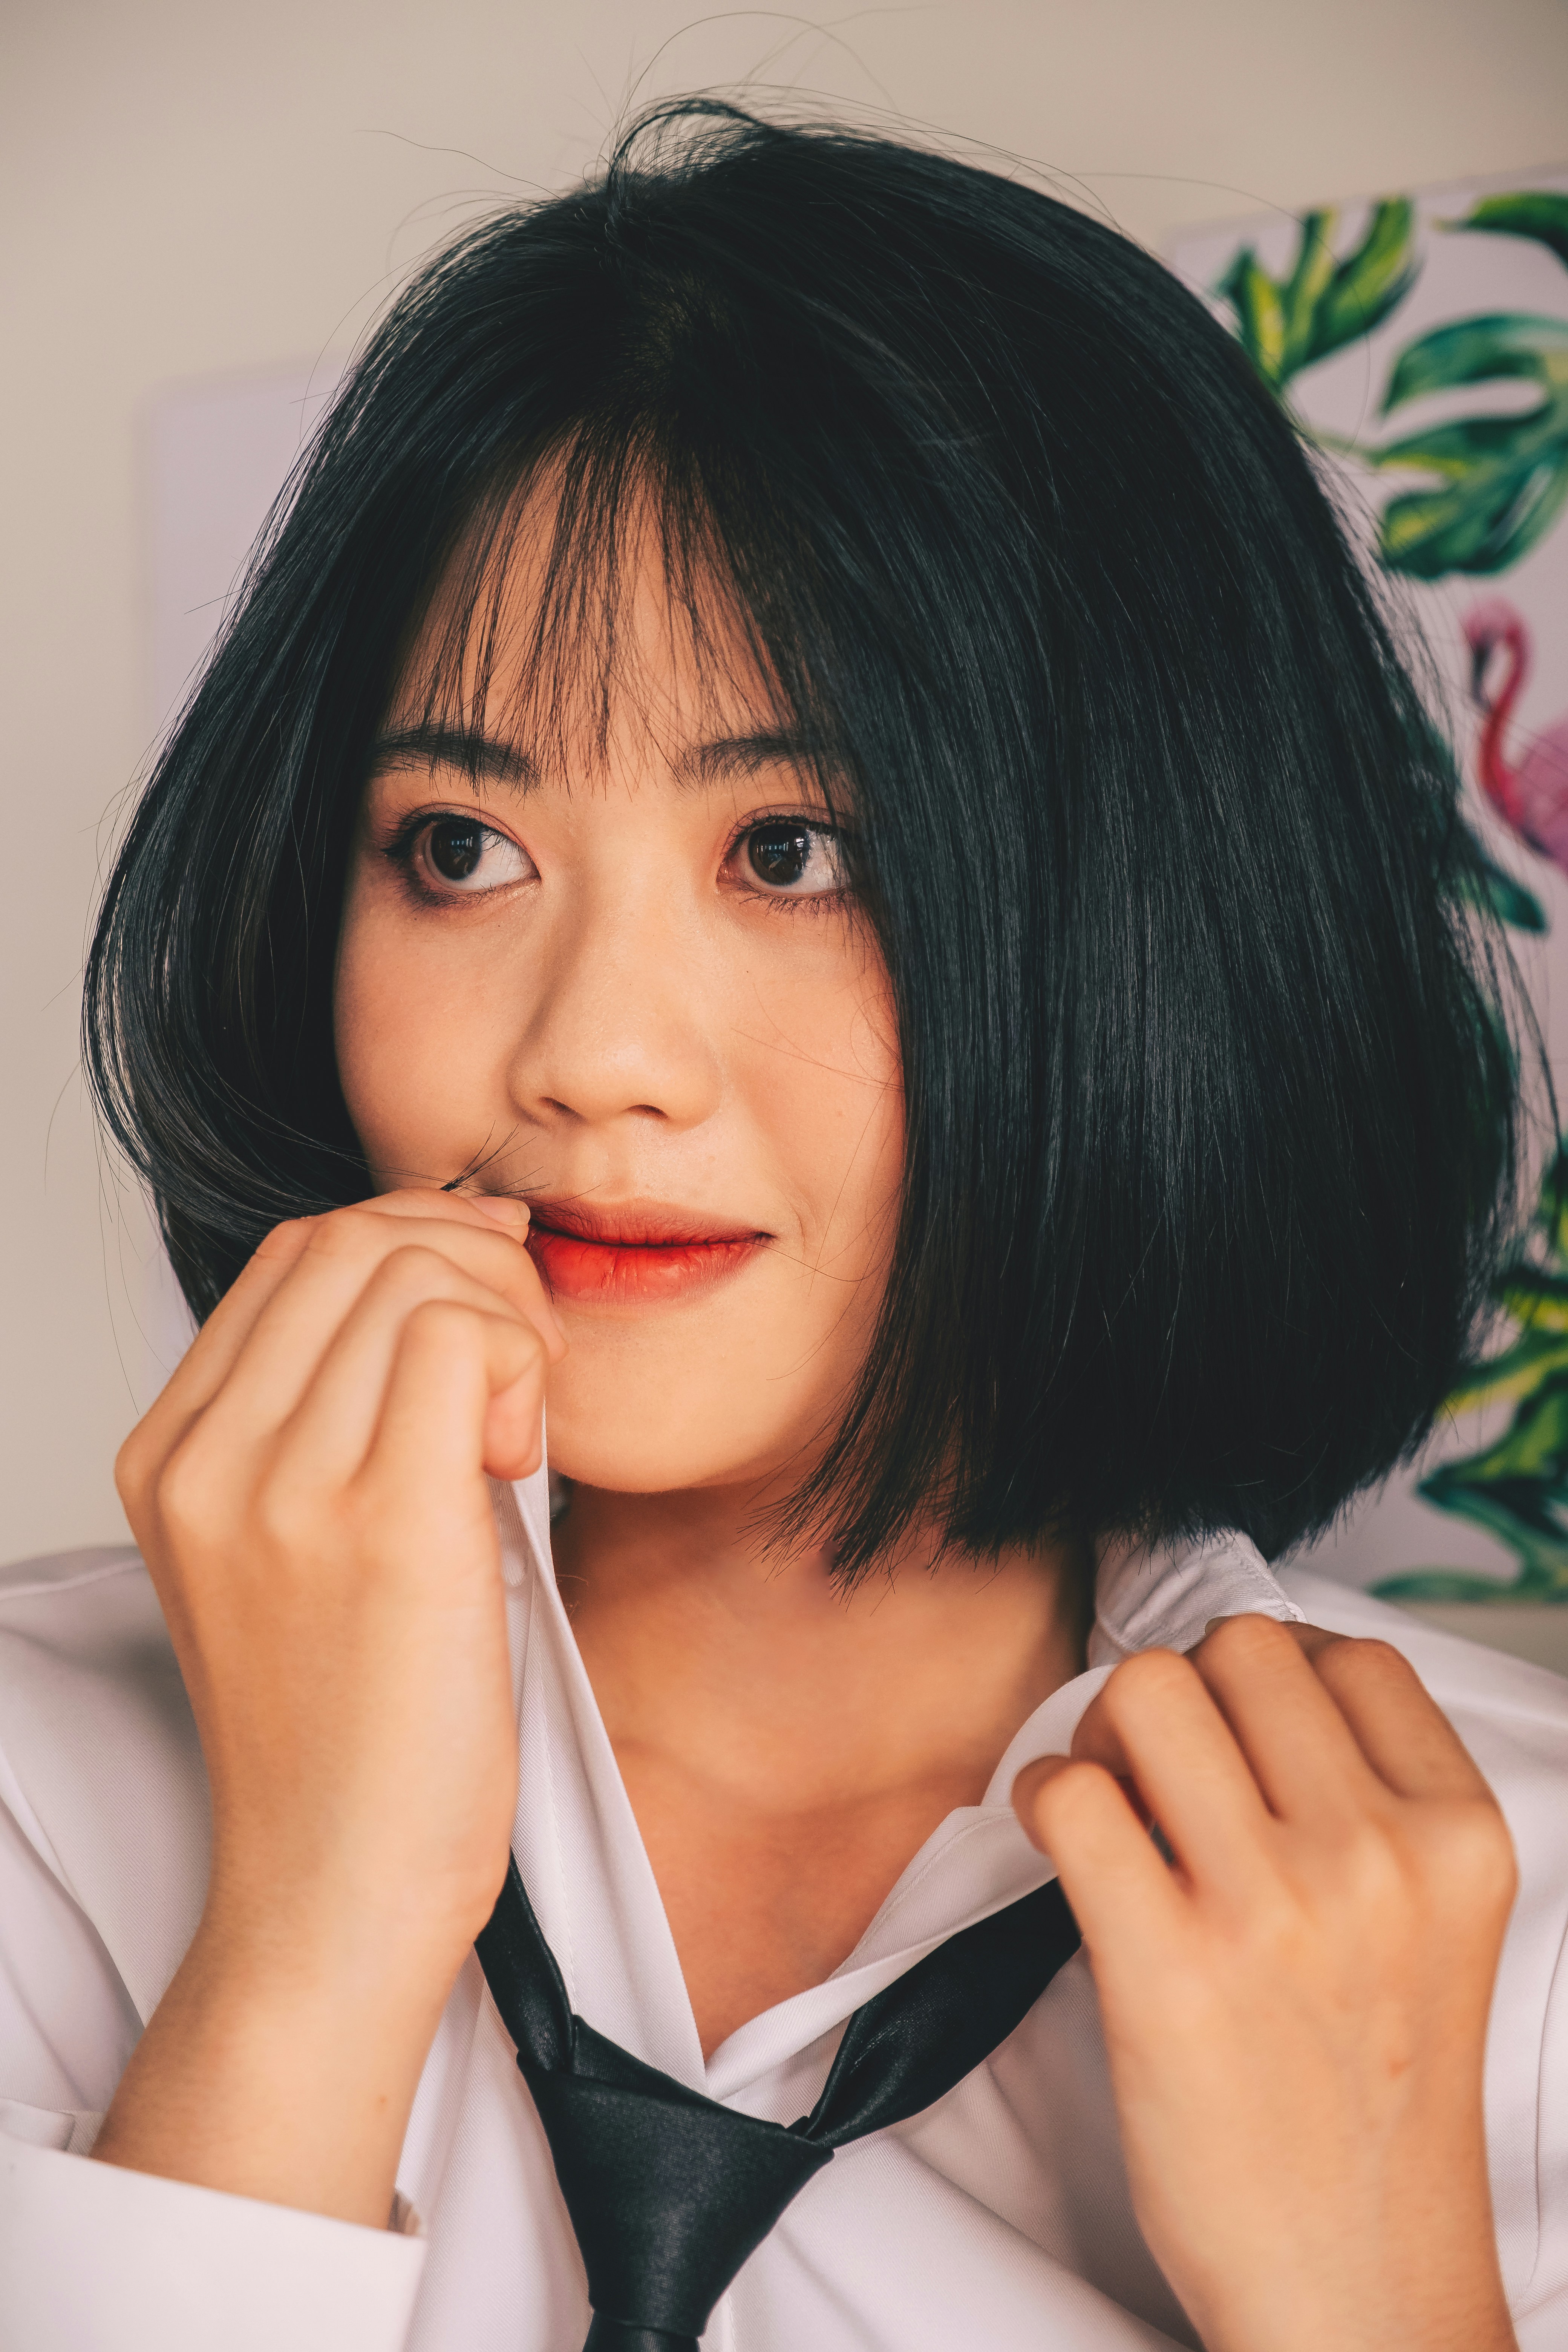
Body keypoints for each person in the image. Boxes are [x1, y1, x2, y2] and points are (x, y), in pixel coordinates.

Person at [2, 101, 1565, 2352]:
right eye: (453, 847)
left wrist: (1376, 2305)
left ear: (1151, 918)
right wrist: (307, 1950)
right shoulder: (44, 1789)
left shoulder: (1514, 1935)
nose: (590, 1059)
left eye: (796, 852)